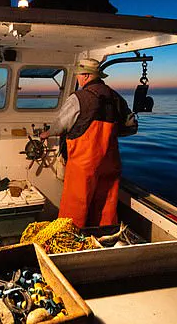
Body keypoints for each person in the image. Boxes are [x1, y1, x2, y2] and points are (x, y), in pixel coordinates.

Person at [40, 58, 136, 228]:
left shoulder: (79, 98)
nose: (77, 78)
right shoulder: (116, 97)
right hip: (110, 161)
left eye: (78, 74)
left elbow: (60, 125)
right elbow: (130, 127)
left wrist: (46, 133)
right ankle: (105, 235)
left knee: (75, 205)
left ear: (85, 76)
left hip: (84, 163)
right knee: (106, 203)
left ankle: (70, 237)